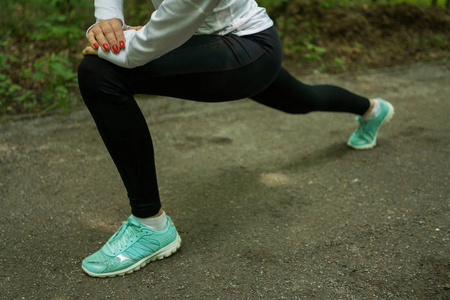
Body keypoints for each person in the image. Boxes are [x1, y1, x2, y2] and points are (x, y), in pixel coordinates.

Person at [78, 0, 394, 278]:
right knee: (301, 99)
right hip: (209, 42)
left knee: (100, 74)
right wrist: (109, 17)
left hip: (246, 47)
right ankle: (372, 110)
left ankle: (150, 226)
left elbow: (159, 33)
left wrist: (129, 43)